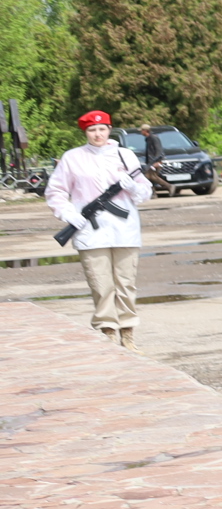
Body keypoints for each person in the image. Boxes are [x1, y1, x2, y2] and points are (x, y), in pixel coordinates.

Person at [44, 111, 151, 349]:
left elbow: (146, 192)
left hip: (125, 229)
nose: (97, 134)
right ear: (85, 132)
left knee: (126, 283)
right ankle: (108, 333)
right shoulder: (73, 158)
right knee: (101, 285)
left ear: (109, 129)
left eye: (102, 129)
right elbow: (55, 192)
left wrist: (132, 186)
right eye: (92, 130)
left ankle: (128, 333)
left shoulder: (125, 156)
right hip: (90, 232)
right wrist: (69, 213)